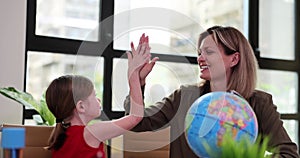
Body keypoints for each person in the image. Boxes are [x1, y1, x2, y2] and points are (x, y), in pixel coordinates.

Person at [124, 26, 299, 158]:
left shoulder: (259, 103)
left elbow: (288, 153)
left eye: (209, 52)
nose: (200, 58)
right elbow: (138, 122)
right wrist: (137, 82)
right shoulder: (184, 97)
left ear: (234, 59)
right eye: (200, 53)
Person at [45, 33, 152, 158]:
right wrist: (133, 75)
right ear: (81, 106)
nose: (99, 99)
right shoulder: (92, 132)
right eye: (94, 96)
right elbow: (135, 117)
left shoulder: (61, 137)